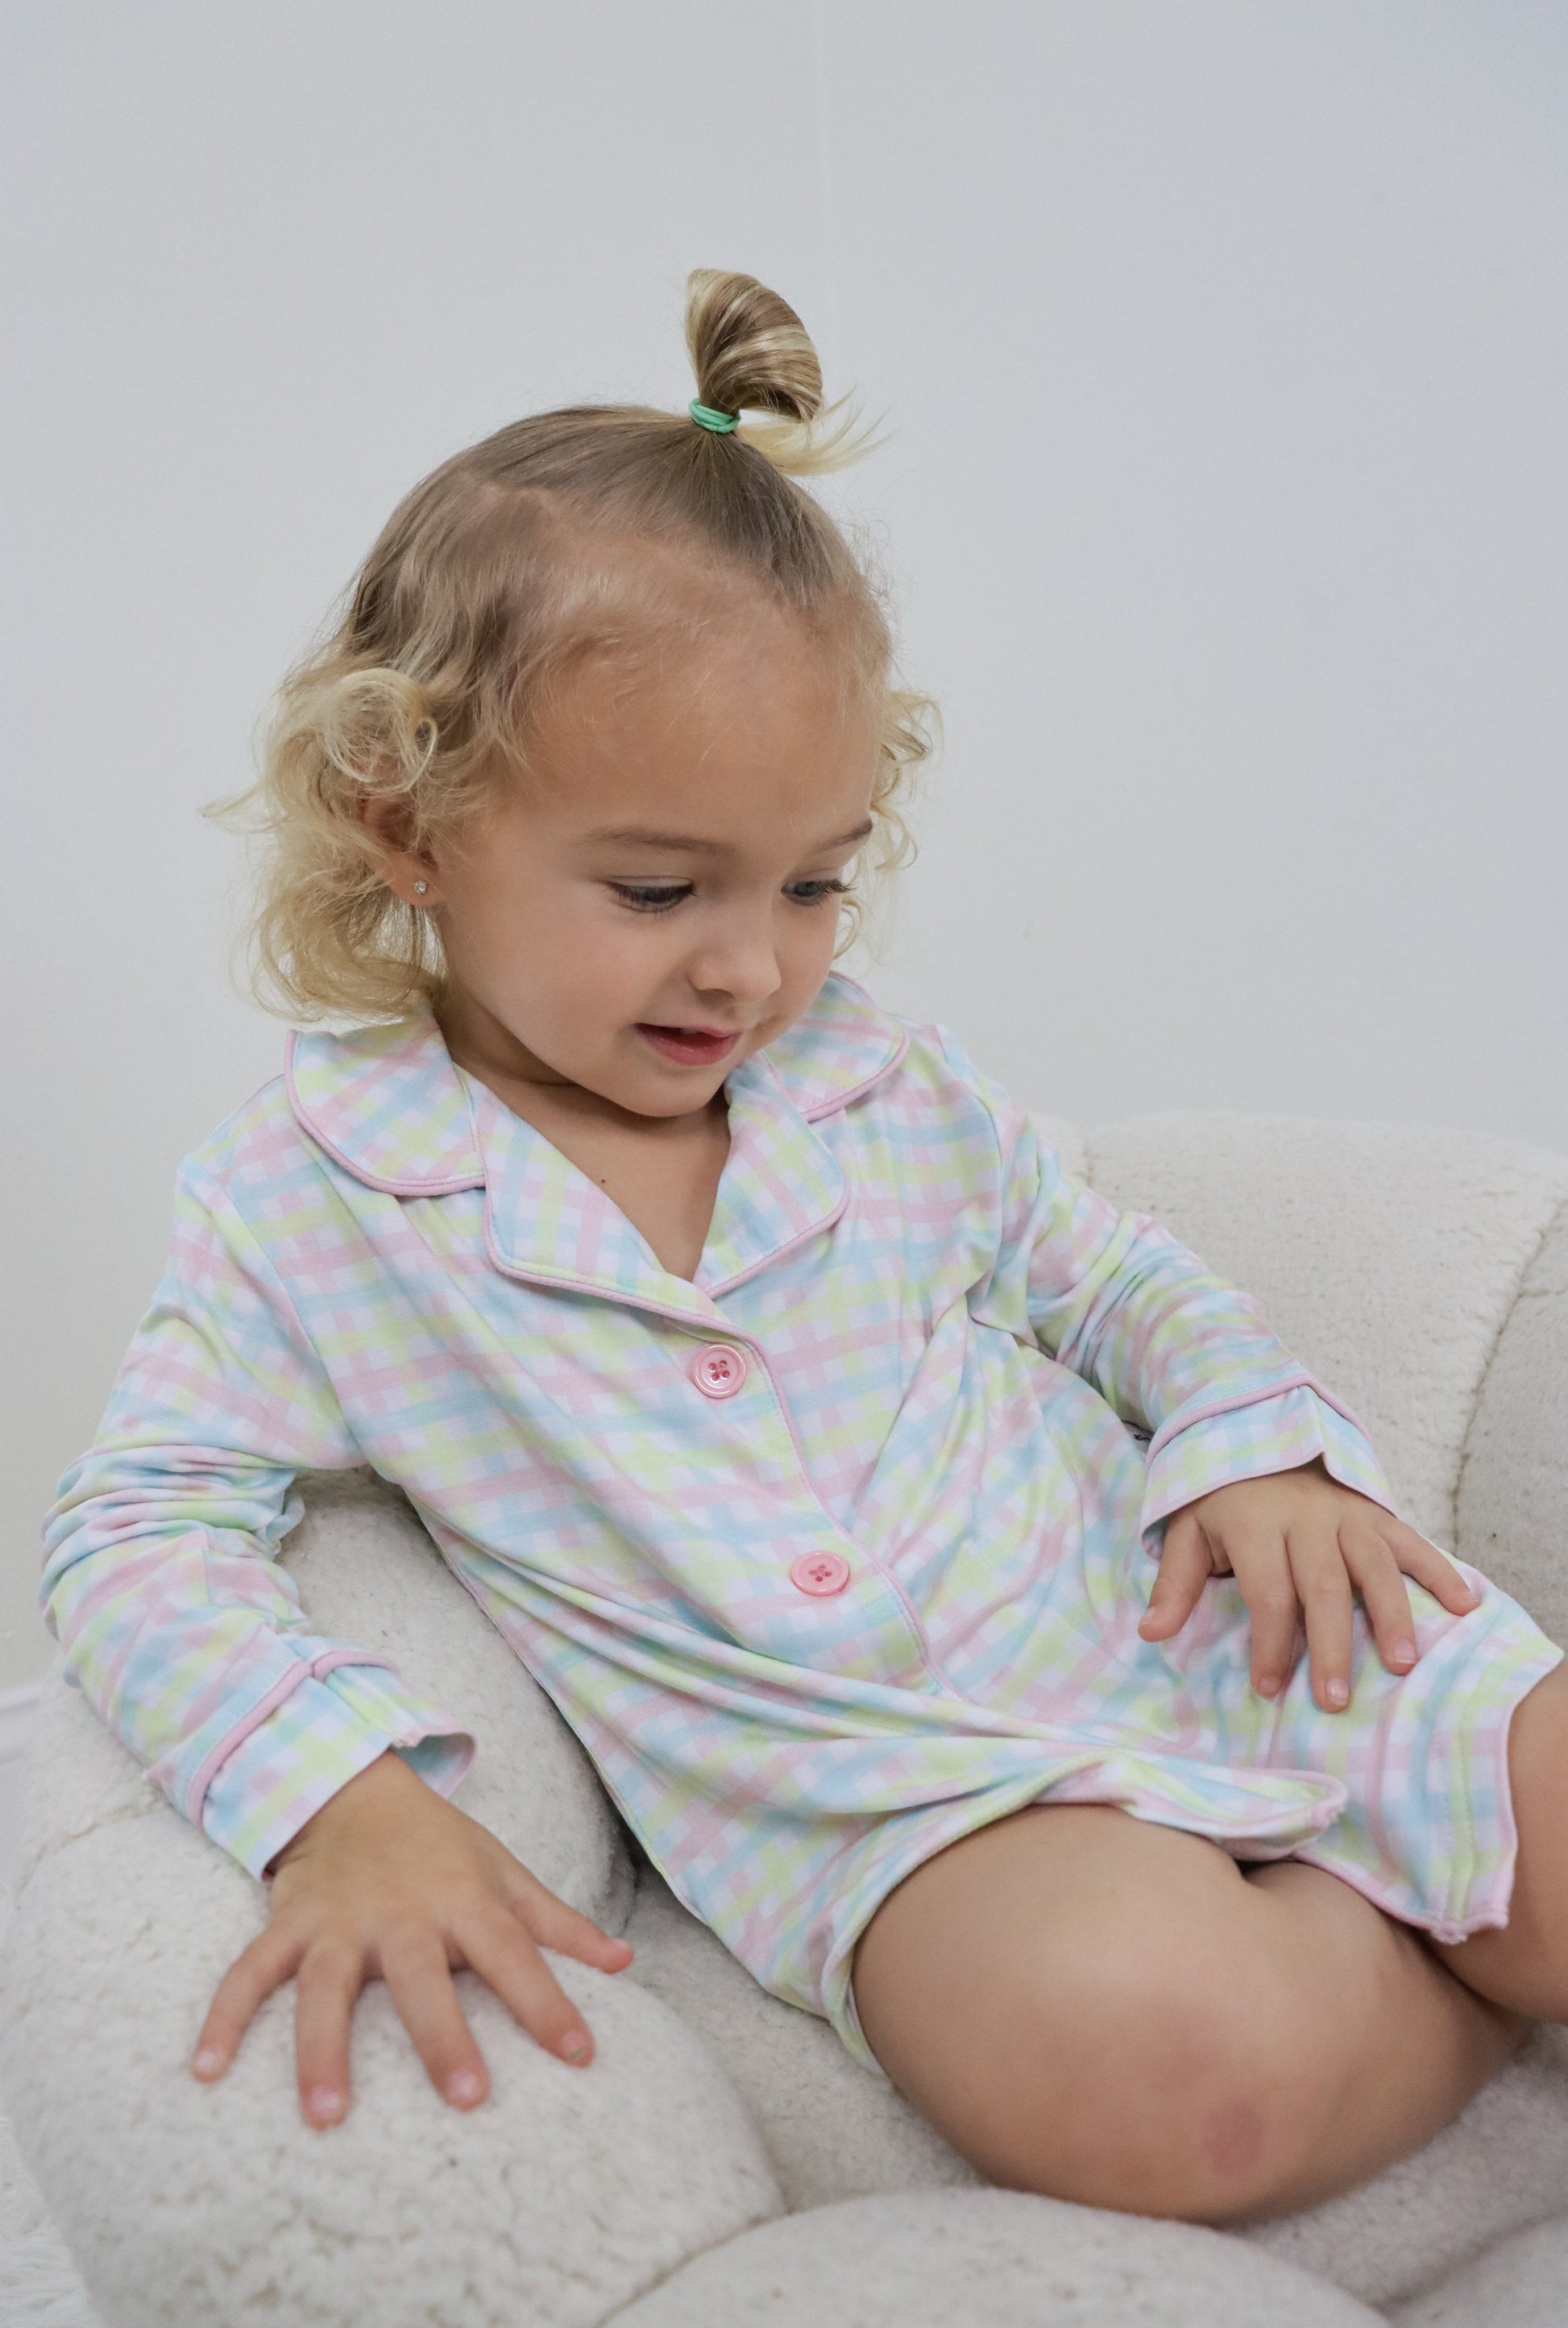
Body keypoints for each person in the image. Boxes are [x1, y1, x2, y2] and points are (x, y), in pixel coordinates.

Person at [40, 269, 1568, 2227]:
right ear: (402, 821)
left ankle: (1449, 1889)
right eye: (657, 888)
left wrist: (1250, 1444)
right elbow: (136, 1529)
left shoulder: (867, 1076)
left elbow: (1105, 1270)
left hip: (1173, 1617)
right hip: (902, 1799)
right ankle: (1470, 1995)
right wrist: (337, 1796)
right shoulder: (312, 1198)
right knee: (1151, 2082)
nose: (750, 965)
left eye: (813, 882)